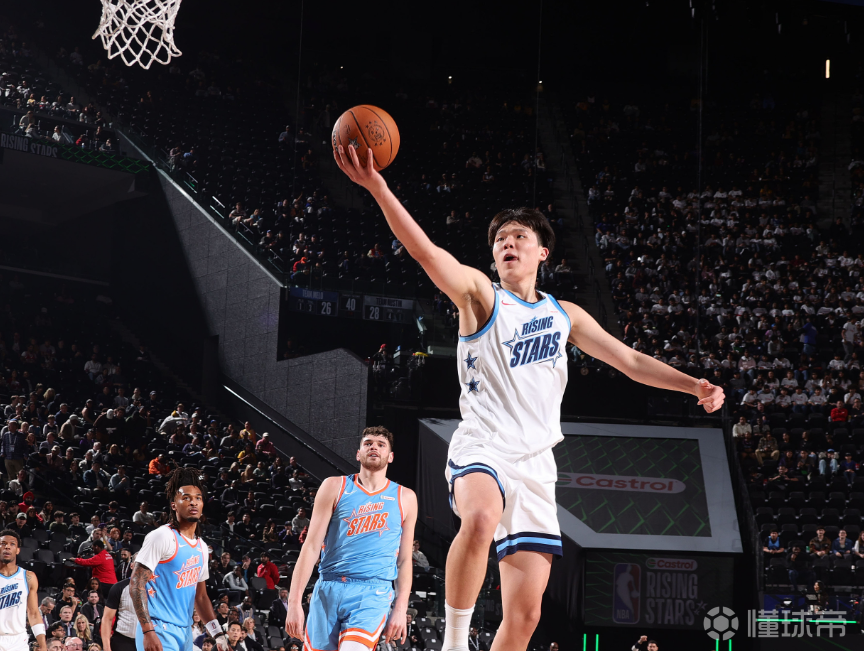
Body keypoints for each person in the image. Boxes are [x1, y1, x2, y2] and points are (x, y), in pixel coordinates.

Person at [333, 144, 725, 651]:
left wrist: (693, 385)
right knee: (479, 518)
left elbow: (629, 361)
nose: (508, 243)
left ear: (543, 253)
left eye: (520, 236)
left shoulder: (565, 314)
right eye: (500, 239)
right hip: (484, 445)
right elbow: (426, 252)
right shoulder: (480, 296)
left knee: (525, 616)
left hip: (537, 463)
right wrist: (378, 188)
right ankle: (454, 643)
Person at [285, 427, 417, 650]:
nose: (374, 447)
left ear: (390, 456)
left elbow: (404, 561)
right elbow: (311, 547)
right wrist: (294, 602)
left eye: (381, 444)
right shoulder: (334, 486)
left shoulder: (405, 497)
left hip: (372, 592)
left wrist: (400, 607)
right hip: (328, 587)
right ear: (358, 454)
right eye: (368, 443)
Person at [129, 469, 227, 651]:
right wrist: (148, 630)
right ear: (174, 505)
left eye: (198, 498)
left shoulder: (201, 547)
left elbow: (201, 596)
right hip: (159, 628)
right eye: (186, 498)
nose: (193, 502)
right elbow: (136, 583)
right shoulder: (162, 536)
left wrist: (218, 634)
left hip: (185, 632)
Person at [0, 529, 47, 651]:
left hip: (18, 641)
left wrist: (43, 644)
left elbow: (33, 613)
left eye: (12, 544)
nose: (7, 547)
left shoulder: (28, 577)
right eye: (3, 543)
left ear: (18, 550)